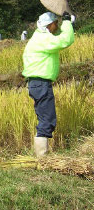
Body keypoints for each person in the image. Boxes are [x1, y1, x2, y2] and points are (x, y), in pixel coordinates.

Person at [22, 11, 75, 158]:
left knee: (45, 117)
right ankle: (42, 158)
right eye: (56, 24)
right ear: (50, 25)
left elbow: (60, 38)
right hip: (41, 84)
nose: (56, 27)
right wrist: (67, 22)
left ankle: (41, 157)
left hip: (37, 84)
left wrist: (67, 23)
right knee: (47, 119)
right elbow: (65, 41)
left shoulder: (39, 37)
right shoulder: (43, 39)